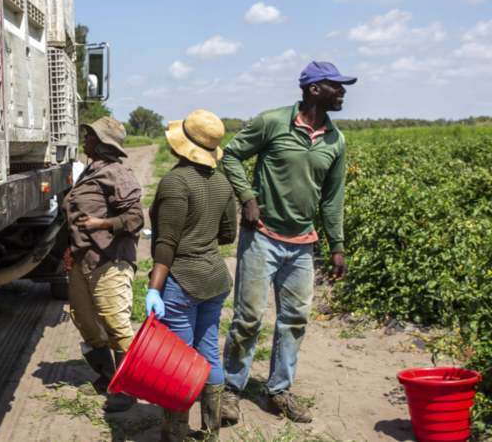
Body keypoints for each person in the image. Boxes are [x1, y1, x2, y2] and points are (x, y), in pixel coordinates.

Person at [219, 61, 355, 424]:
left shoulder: (335, 140)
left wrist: (336, 245)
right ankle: (230, 389)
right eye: (336, 86)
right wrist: (247, 197)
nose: (343, 93)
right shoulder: (273, 122)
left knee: (294, 320)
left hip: (302, 244)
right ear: (313, 89)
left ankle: (278, 390)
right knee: (248, 318)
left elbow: (332, 198)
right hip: (262, 236)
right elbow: (230, 155)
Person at [146, 109, 238, 442]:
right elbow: (228, 233)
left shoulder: (175, 181)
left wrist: (155, 288)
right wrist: (203, 234)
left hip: (182, 282)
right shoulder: (223, 181)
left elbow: (166, 244)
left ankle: (176, 433)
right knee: (208, 351)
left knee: (179, 362)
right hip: (214, 278)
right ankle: (211, 433)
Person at [61, 116, 144, 413]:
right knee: (83, 318)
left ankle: (127, 388)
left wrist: (103, 222)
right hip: (85, 259)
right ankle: (108, 376)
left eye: (90, 136)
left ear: (102, 143)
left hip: (110, 260)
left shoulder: (116, 173)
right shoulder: (90, 171)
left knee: (116, 324)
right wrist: (71, 248)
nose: (85, 139)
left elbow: (135, 219)